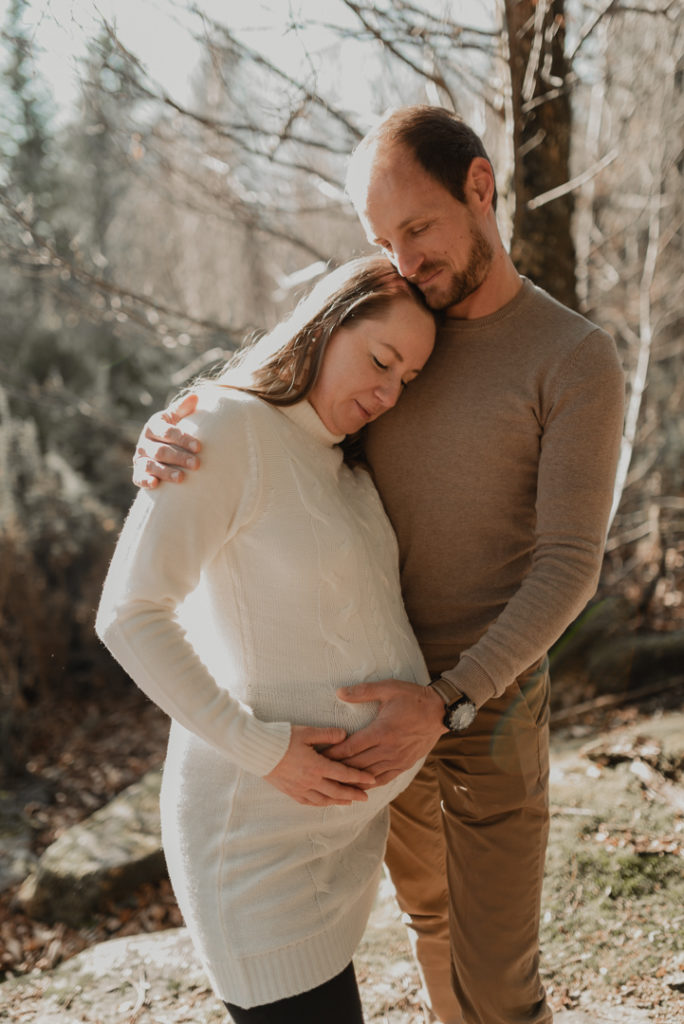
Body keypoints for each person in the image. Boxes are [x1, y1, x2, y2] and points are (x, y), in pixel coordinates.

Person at [133, 106, 625, 1024]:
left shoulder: (574, 358)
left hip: (486, 699)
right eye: (382, 239)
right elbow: (276, 417)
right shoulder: (402, 332)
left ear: (480, 188)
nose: (404, 258)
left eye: (419, 228)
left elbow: (569, 564)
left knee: (499, 987)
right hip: (364, 701)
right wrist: (166, 437)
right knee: (429, 921)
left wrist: (446, 701)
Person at [96, 255, 438, 1024]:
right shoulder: (222, 427)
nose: (386, 394)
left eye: (407, 380)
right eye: (381, 360)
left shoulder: (339, 458)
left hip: (337, 843)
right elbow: (129, 613)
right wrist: (265, 751)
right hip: (253, 845)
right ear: (325, 322)